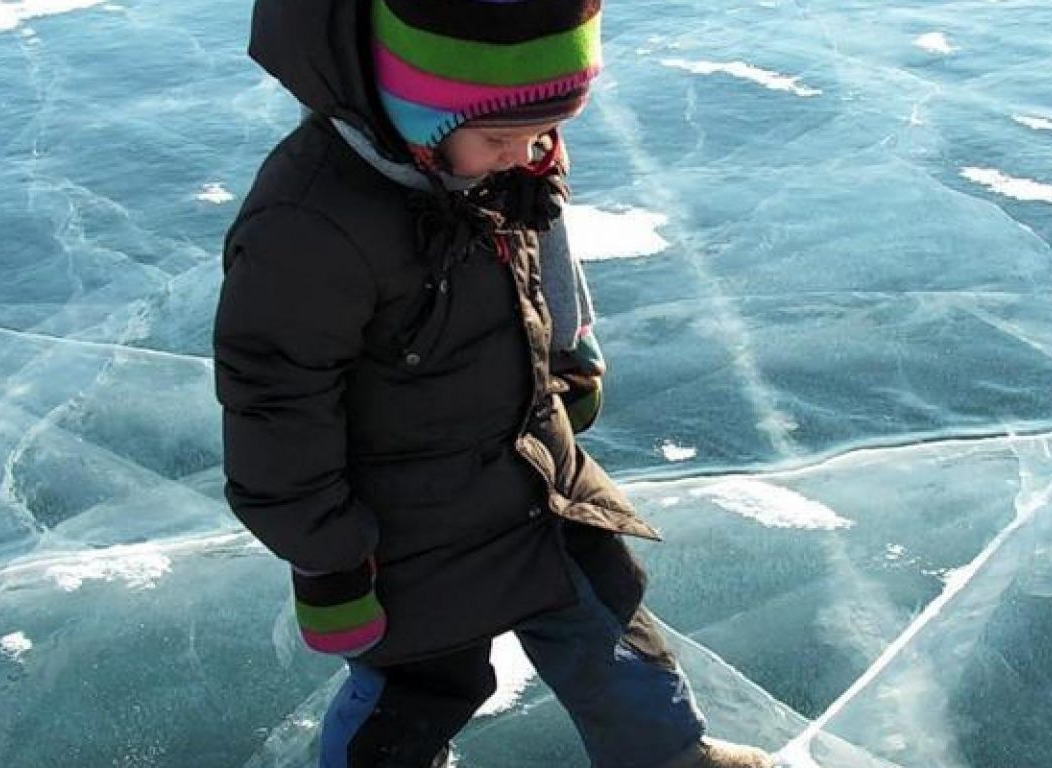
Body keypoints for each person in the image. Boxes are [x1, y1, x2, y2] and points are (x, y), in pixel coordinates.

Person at [212, 0, 775, 766]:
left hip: (536, 476)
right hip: (409, 527)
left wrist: (570, 359)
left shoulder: (513, 152)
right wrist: (330, 557)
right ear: (412, 112)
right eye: (500, 138)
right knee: (423, 685)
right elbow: (275, 405)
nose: (526, 153)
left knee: (607, 622)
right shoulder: (311, 224)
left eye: (542, 131)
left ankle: (670, 758)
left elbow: (545, 251)